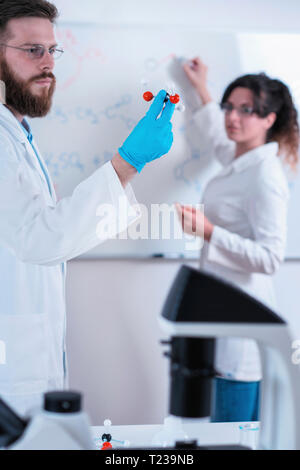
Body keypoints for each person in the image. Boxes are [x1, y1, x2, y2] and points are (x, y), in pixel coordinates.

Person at [0, 0, 175, 416]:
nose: (48, 64)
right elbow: (38, 238)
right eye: (31, 50)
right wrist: (128, 162)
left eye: (52, 50)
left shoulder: (17, 134)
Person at [176, 57, 299, 422]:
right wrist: (201, 88)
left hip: (243, 328)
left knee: (232, 436)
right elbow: (218, 135)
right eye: (229, 106)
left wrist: (209, 232)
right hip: (219, 313)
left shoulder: (265, 175)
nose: (233, 117)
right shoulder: (237, 156)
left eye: (247, 110)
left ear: (268, 119)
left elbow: (270, 258)